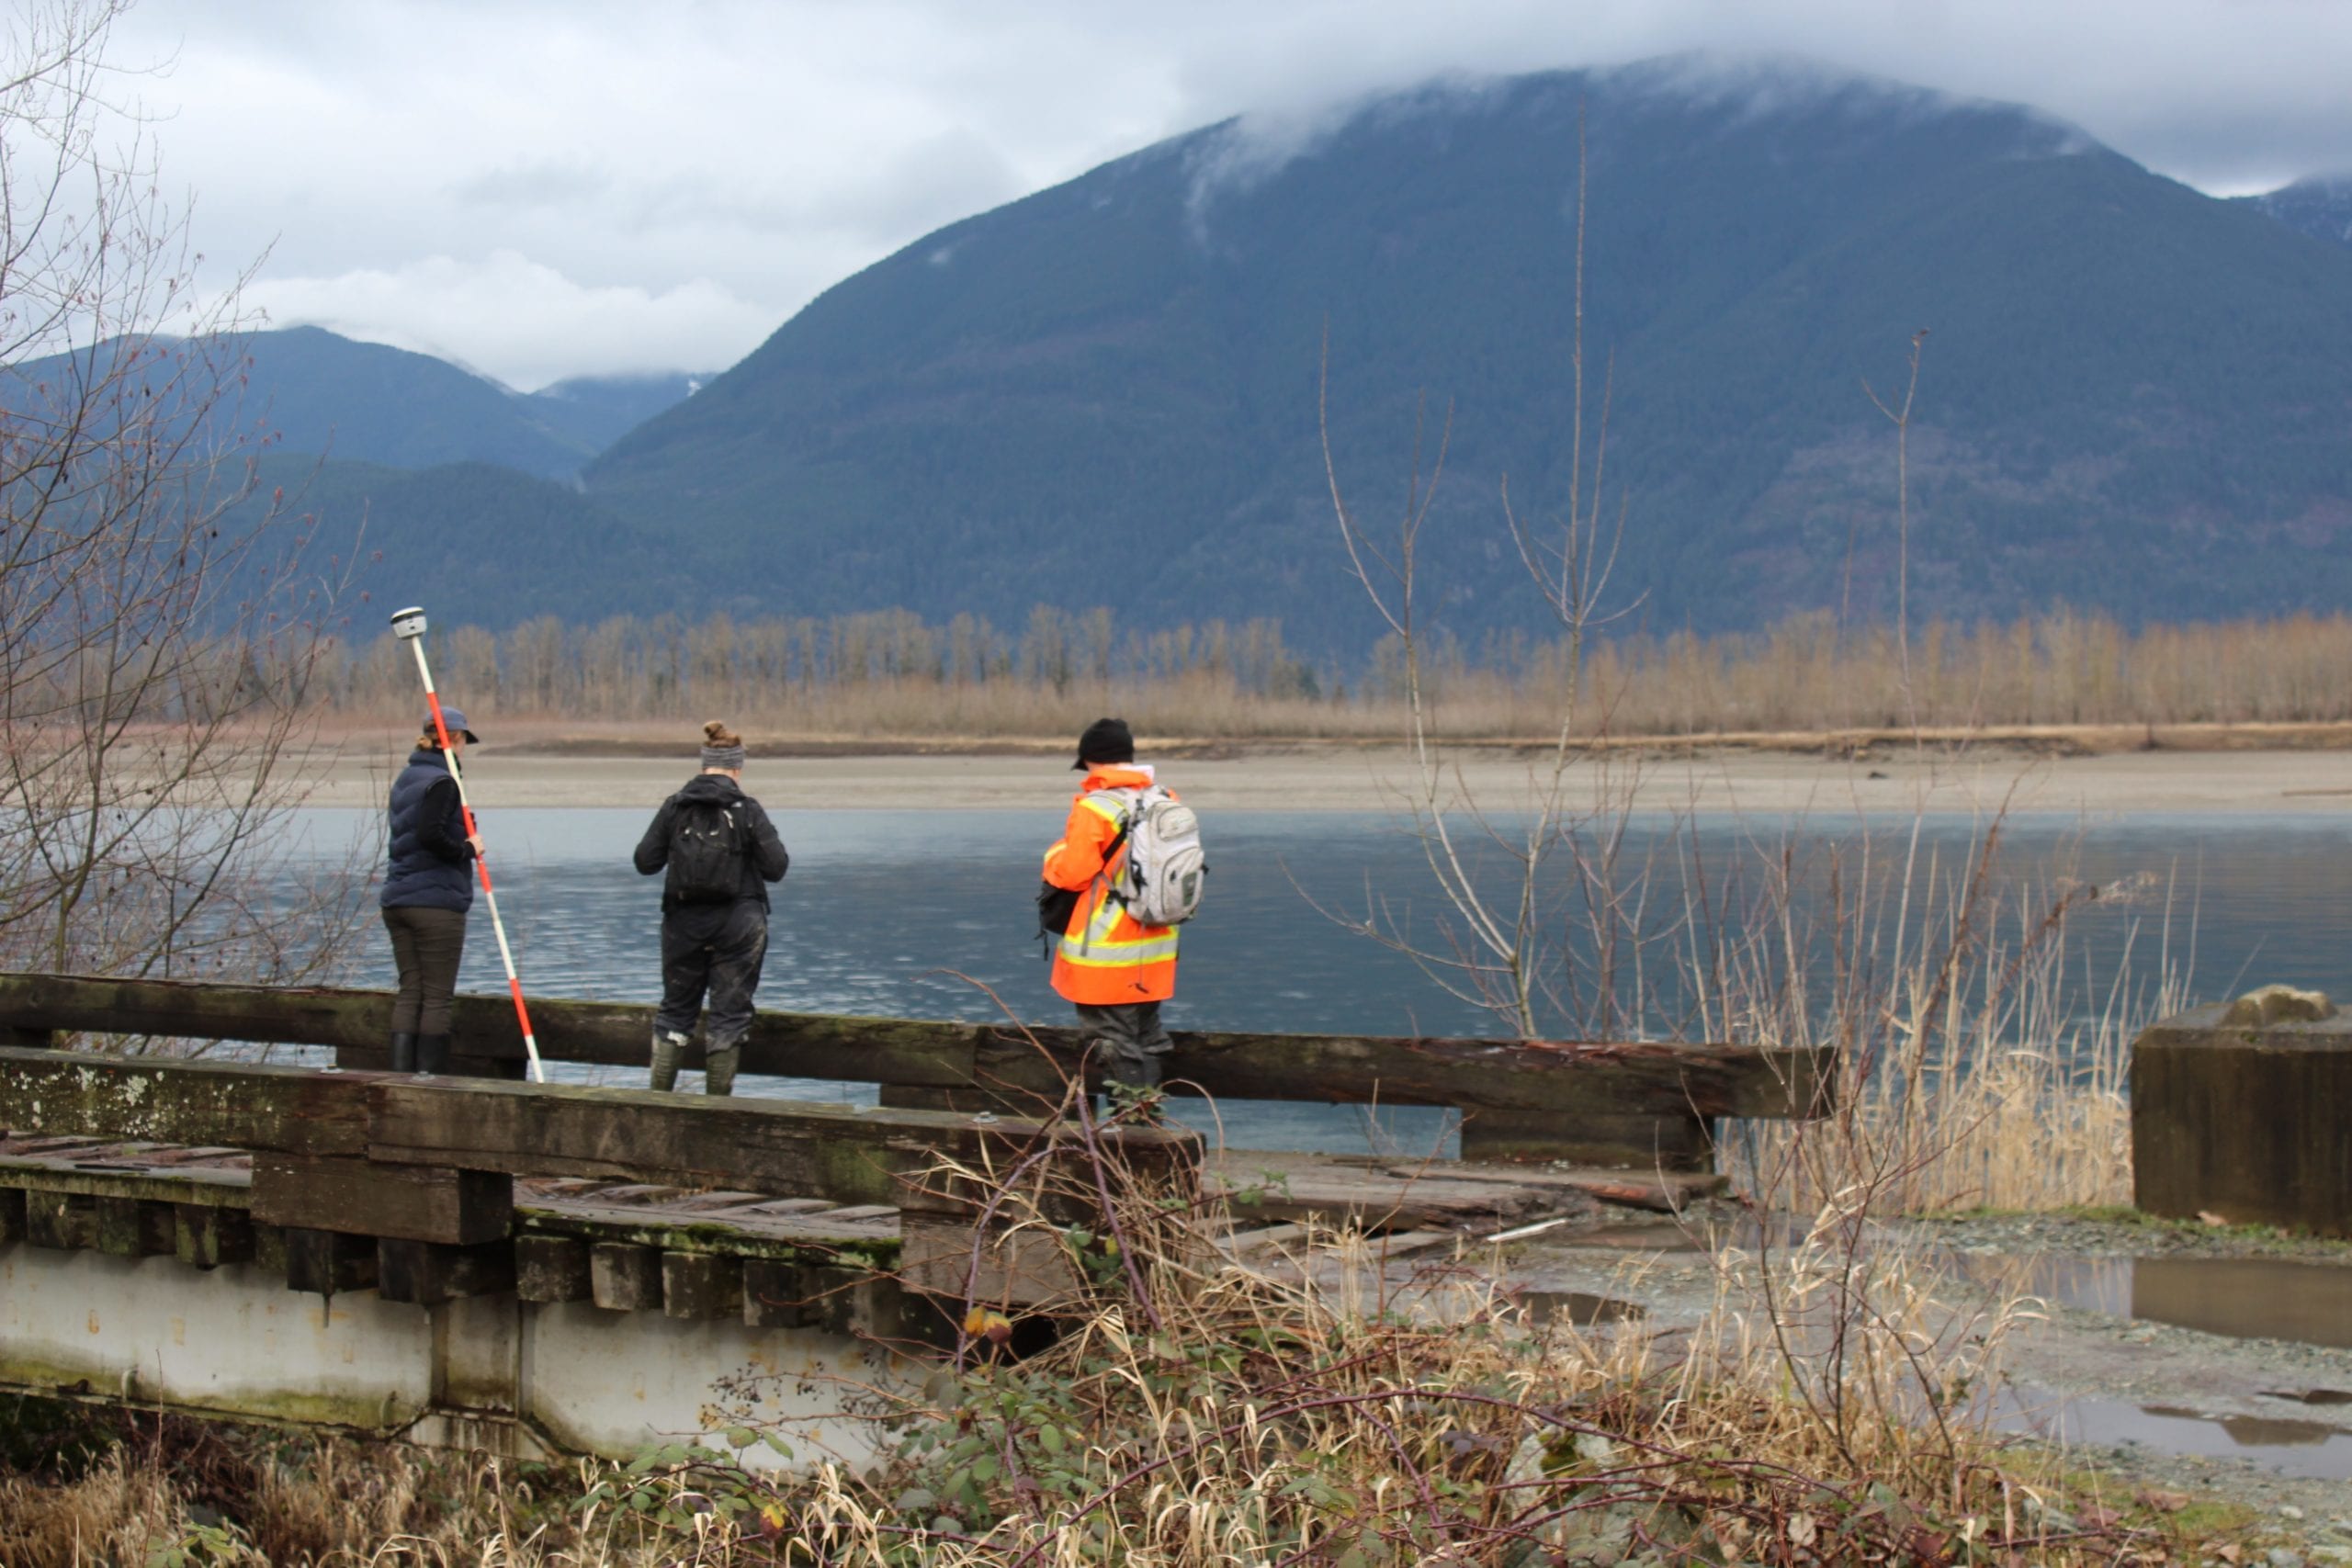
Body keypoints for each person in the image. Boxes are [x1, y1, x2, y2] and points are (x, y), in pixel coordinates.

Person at [633, 719, 790, 1095]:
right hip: (740, 925)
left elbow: (645, 861)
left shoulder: (675, 807)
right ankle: (716, 1108)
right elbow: (776, 868)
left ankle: (658, 1103)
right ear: (737, 767)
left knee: (675, 1012)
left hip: (683, 924)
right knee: (729, 1015)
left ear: (704, 765)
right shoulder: (747, 809)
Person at [1041, 717, 1179, 1091]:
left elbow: (1072, 874)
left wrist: (1053, 854)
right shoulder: (1165, 799)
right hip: (1156, 948)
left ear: (1091, 761)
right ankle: (1148, 1126)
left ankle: (1130, 1136)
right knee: (1148, 1037)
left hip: (1106, 950)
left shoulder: (1095, 808)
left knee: (1112, 1043)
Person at [380, 706, 485, 1074]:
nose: (463, 751)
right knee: (438, 998)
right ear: (454, 739)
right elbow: (430, 834)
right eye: (463, 743)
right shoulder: (442, 783)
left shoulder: (408, 777)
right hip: (435, 904)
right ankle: (430, 1085)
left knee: (411, 992)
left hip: (398, 898)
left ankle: (401, 1079)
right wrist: (468, 849)